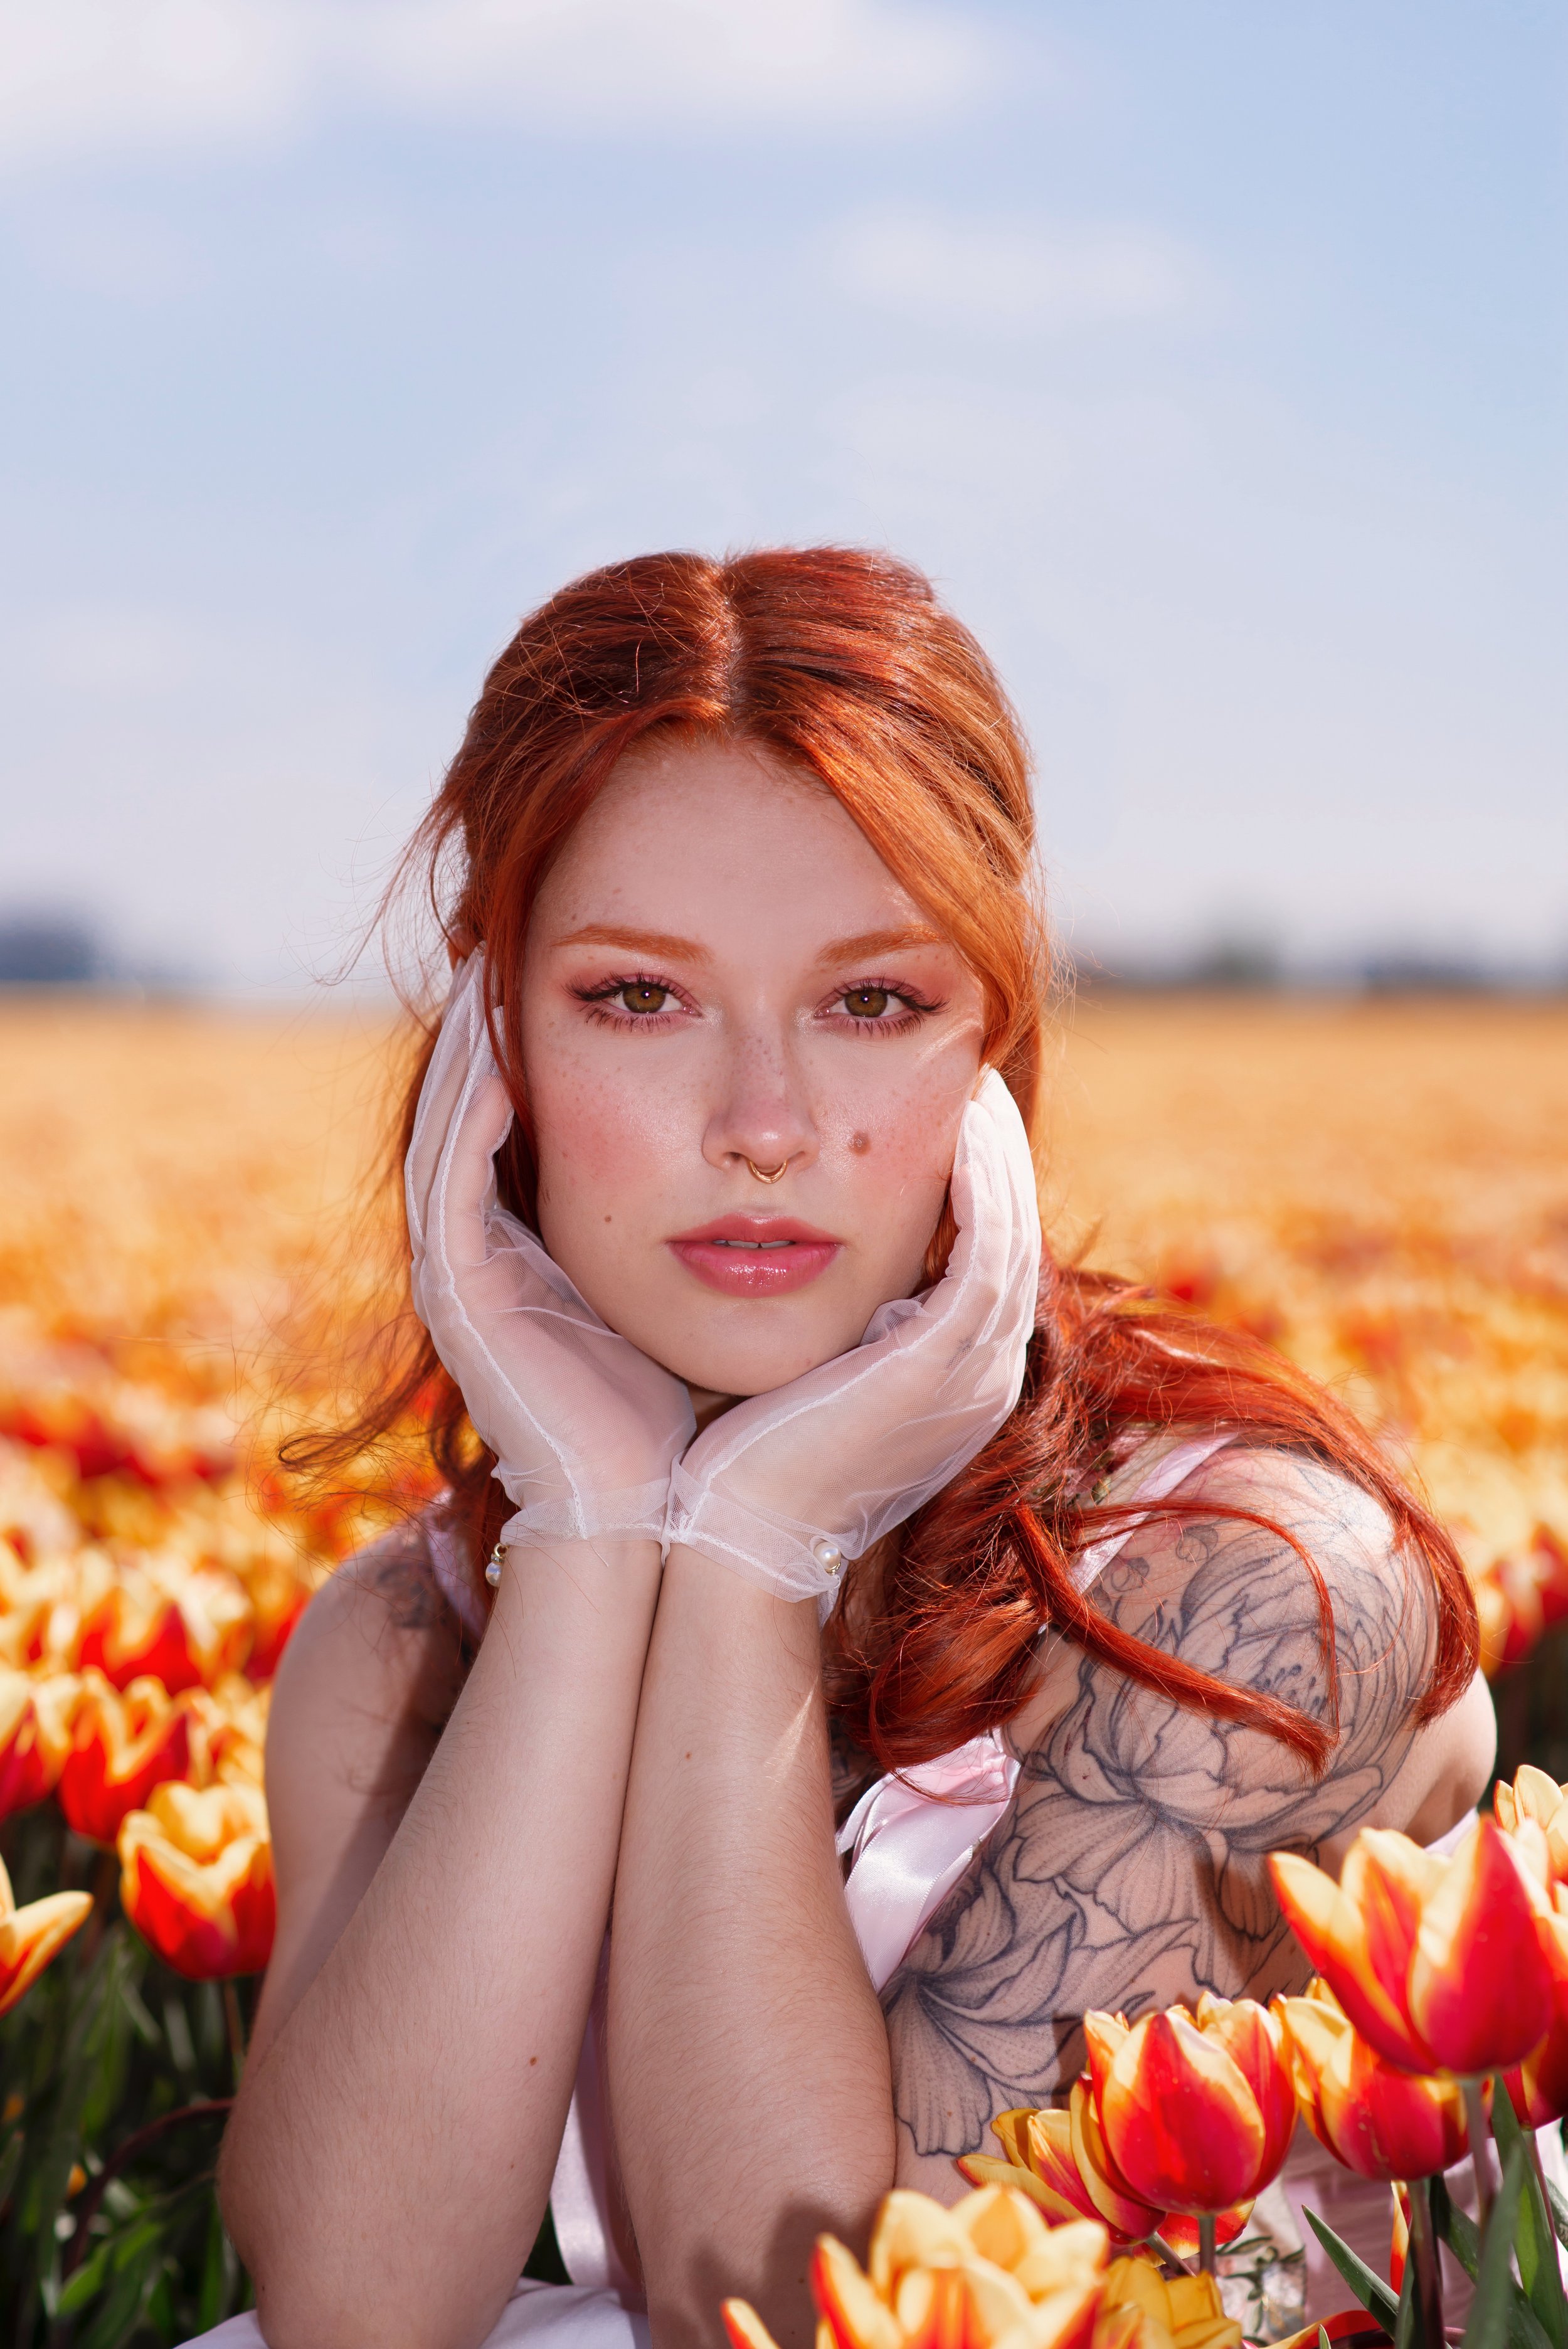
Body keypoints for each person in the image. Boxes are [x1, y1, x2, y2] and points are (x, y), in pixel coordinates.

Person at [203, 548, 1493, 2349]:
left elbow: (823, 2318)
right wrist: (588, 1526)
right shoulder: (401, 1645)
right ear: (487, 1039)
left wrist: (749, 1556)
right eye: (635, 998)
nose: (761, 1127)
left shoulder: (1247, 1606)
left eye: (870, 1001)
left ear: (995, 1045)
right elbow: (350, 2312)